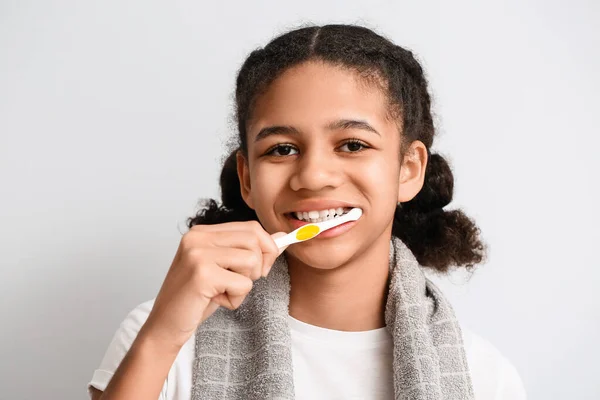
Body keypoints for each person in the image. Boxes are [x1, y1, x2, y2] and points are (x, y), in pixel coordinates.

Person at [88, 24, 526, 399]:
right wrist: (163, 337)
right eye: (282, 149)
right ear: (247, 179)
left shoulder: (486, 377)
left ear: (408, 170)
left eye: (353, 145)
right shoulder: (159, 337)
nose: (314, 176)